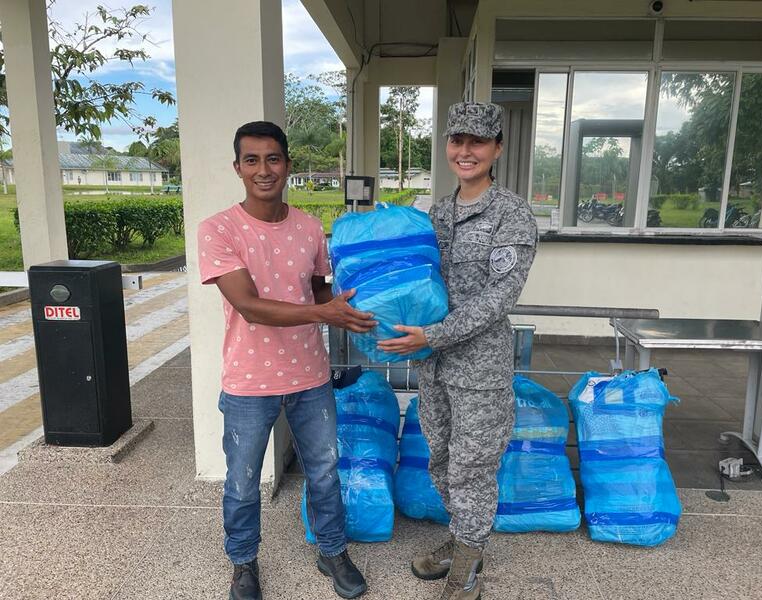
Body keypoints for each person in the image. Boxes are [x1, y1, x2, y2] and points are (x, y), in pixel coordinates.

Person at [197, 121, 375, 600]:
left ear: (288, 166)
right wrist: (322, 311)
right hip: (247, 380)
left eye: (272, 158)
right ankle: (243, 563)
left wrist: (361, 301)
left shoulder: (310, 228)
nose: (263, 169)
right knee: (241, 480)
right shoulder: (218, 229)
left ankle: (332, 551)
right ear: (237, 168)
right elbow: (249, 304)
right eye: (251, 160)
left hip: (309, 375)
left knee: (323, 470)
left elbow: (319, 291)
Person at [377, 102, 538, 600]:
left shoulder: (511, 214)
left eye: (478, 142)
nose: (465, 151)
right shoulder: (438, 212)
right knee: (442, 461)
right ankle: (463, 538)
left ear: (497, 149)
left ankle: (468, 567)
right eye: (456, 141)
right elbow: (418, 282)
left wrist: (434, 335)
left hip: (480, 367)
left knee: (473, 466)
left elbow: (498, 298)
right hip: (434, 367)